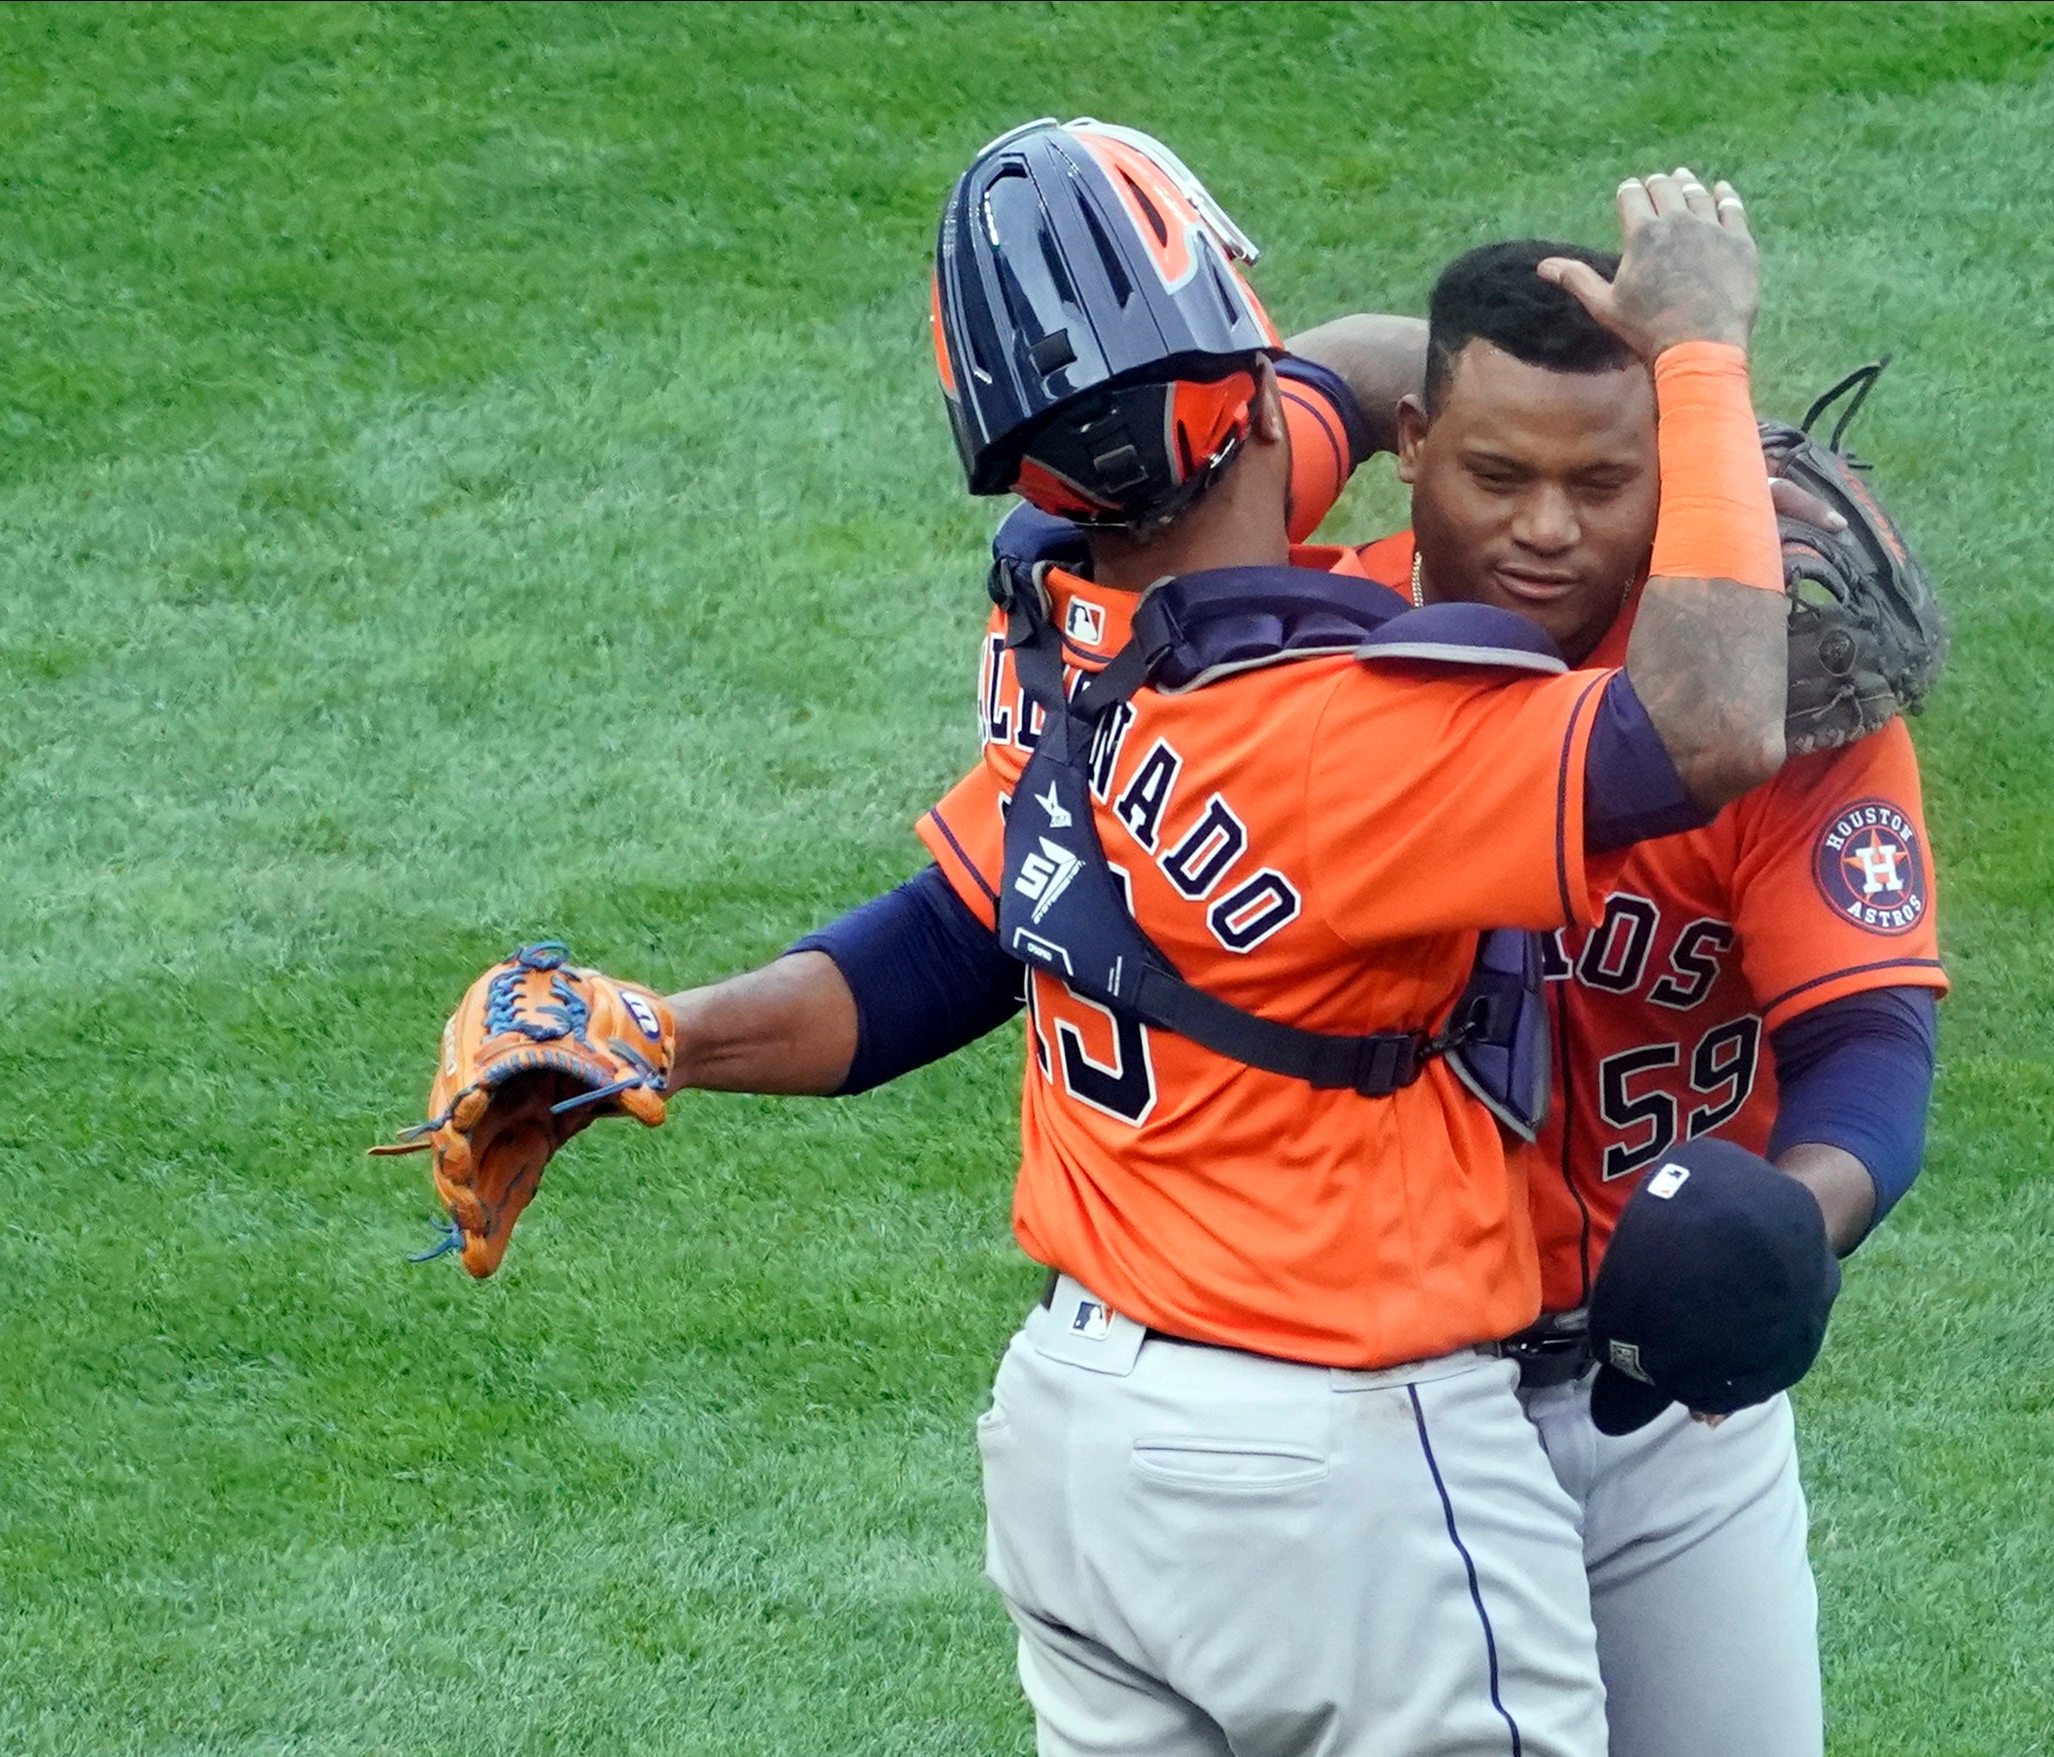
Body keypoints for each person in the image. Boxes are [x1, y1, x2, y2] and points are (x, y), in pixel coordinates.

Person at [435, 123, 1802, 1755]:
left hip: (1080, 1456)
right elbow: (1715, 720)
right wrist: (1696, 354)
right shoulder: (1355, 738)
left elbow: (951, 940)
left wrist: (672, 1028)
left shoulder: (1052, 634)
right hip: (1337, 1474)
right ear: (1237, 376)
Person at [1270, 240, 1947, 1757]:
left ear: (1676, 473)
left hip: (1665, 1420)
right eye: (1497, 473)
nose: (1546, 531)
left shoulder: (1784, 690)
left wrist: (1790, 1218)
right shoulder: (1313, 664)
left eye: (1602, 483)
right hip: (1380, 1403)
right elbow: (1215, 444)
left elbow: (1869, 1041)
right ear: (1411, 452)